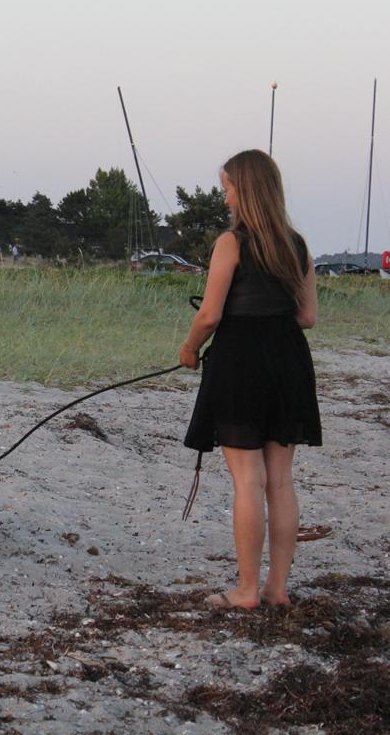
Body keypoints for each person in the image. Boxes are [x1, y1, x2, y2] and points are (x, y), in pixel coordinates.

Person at [180, 149, 320, 610]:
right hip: (288, 360)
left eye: (228, 188)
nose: (225, 199)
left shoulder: (232, 243)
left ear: (246, 189)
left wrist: (188, 350)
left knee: (248, 480)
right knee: (280, 479)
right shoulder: (297, 245)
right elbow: (307, 317)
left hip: (241, 360)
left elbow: (209, 313)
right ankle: (277, 589)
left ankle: (245, 591)